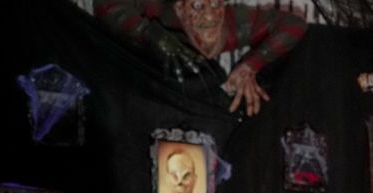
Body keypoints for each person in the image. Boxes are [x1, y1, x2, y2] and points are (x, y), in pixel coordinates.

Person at [92, 0, 306, 116]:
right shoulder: (160, 10)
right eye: (198, 7)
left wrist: (250, 66)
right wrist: (151, 35)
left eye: (215, 5)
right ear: (180, 9)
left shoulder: (232, 22)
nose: (210, 16)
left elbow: (293, 25)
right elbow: (106, 5)